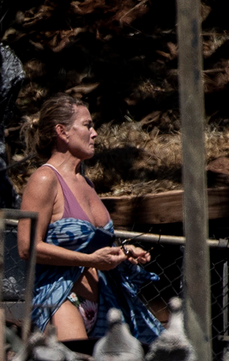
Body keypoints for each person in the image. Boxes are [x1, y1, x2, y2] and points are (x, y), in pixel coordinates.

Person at [16, 95, 163, 344]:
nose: (94, 133)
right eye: (87, 125)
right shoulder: (44, 180)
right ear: (62, 131)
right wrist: (89, 260)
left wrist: (123, 252)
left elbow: (92, 246)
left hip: (104, 298)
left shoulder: (86, 183)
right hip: (62, 299)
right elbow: (27, 247)